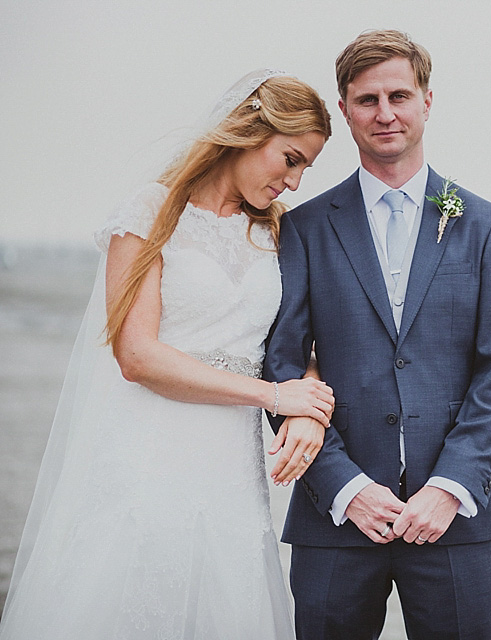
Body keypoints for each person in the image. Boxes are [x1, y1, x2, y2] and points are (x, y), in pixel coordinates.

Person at [0, 70, 334, 640]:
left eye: (305, 168)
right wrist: (274, 396)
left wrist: (307, 398)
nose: (295, 182)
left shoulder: (280, 233)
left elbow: (303, 338)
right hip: (147, 451)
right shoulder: (153, 212)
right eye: (290, 159)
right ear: (252, 131)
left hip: (231, 467)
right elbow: (137, 356)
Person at [262, 30, 491, 639]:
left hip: (455, 519)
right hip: (336, 519)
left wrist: (451, 487)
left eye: (399, 95)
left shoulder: (484, 224)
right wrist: (344, 486)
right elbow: (281, 363)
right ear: (346, 111)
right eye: (366, 100)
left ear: (427, 102)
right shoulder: (302, 228)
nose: (385, 113)